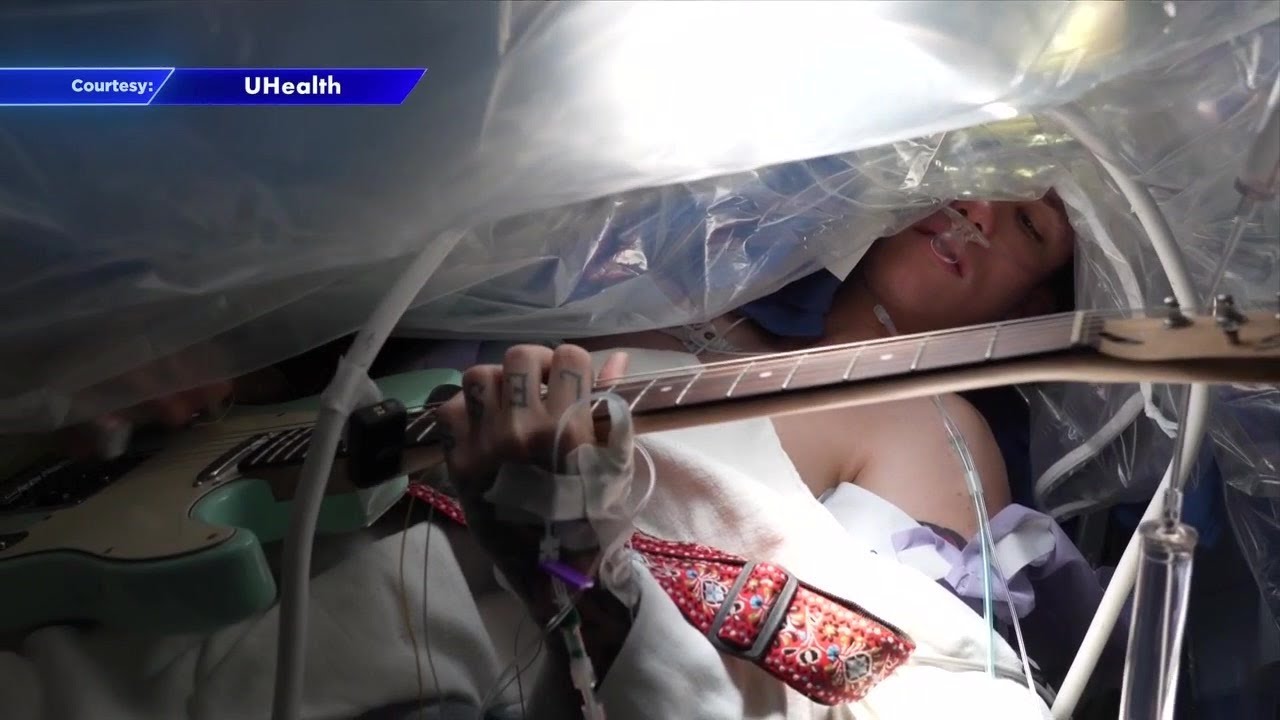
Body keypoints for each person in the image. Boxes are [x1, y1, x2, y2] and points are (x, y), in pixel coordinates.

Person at [6, 194, 1095, 719]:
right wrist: (203, 378)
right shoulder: (664, 279)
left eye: (1027, 225)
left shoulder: (926, 418)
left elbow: (915, 690)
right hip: (136, 572)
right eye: (977, 179)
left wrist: (583, 562)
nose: (976, 209)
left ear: (1039, 308)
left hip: (396, 645)